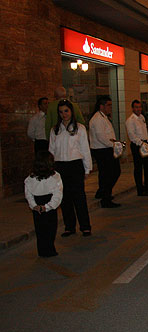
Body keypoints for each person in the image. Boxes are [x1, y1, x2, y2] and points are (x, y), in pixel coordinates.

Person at [48, 100, 92, 237]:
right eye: (61, 112)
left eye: (66, 111)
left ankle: (85, 226)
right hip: (60, 166)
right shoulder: (55, 130)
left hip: (75, 165)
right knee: (65, 198)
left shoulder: (80, 128)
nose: (64, 114)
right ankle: (69, 226)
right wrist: (51, 170)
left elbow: (85, 149)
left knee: (79, 197)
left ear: (71, 111)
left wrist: (87, 168)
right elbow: (51, 151)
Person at [24, 151, 63, 257]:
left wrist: (34, 205)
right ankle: (49, 249)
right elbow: (58, 194)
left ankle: (42, 250)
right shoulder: (55, 177)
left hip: (38, 206)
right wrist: (48, 206)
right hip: (48, 206)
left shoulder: (30, 178)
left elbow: (28, 194)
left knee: (40, 229)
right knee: (50, 229)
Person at [89, 96, 121, 208]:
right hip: (102, 150)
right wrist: (114, 145)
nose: (110, 107)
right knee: (111, 172)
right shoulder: (97, 119)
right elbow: (101, 137)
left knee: (106, 174)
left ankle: (103, 192)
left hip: (106, 148)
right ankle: (105, 197)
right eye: (108, 105)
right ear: (101, 106)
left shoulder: (104, 117)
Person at [126, 100, 148, 196]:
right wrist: (141, 143)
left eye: (140, 107)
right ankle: (140, 190)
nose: (138, 109)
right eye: (136, 107)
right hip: (137, 145)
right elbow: (131, 135)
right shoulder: (130, 120)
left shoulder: (142, 117)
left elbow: (145, 132)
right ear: (133, 108)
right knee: (138, 168)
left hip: (146, 143)